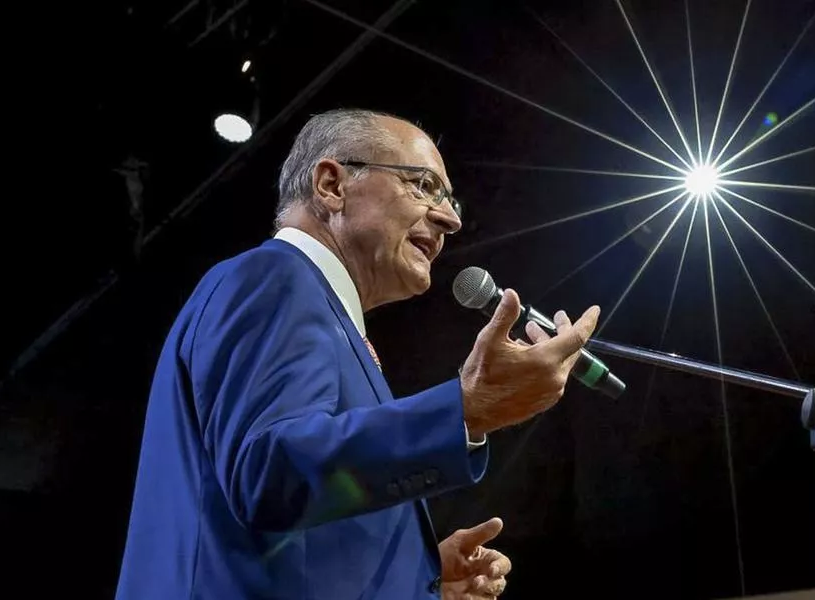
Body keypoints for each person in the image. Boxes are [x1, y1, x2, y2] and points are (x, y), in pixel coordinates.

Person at [116, 109, 600, 599]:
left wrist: (419, 578)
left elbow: (303, 509)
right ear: (332, 185)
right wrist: (465, 410)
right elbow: (270, 472)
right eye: (424, 186)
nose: (451, 219)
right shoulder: (275, 277)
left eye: (450, 199)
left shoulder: (326, 317)